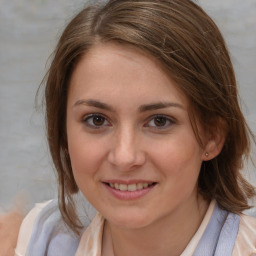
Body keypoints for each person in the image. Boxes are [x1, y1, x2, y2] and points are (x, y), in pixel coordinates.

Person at [14, 0, 256, 255]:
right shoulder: (42, 240)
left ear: (212, 136)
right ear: (62, 133)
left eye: (159, 121)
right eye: (97, 120)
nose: (125, 157)